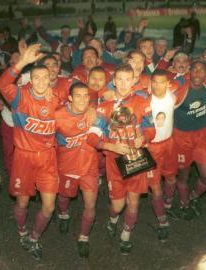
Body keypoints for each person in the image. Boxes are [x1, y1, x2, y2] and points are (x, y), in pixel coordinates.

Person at [0, 44, 60, 261]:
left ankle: (34, 237)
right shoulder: (20, 96)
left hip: (48, 158)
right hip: (24, 157)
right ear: (30, 80)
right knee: (22, 203)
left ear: (51, 79)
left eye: (46, 78)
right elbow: (2, 83)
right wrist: (22, 62)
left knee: (49, 207)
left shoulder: (56, 99)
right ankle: (22, 231)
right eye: (37, 78)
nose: (42, 82)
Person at [88, 64, 155, 255]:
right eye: (120, 79)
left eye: (128, 79)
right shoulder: (104, 106)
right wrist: (111, 146)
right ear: (114, 81)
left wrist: (144, 138)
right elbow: (92, 137)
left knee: (133, 202)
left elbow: (151, 129)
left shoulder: (142, 102)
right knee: (117, 205)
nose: (124, 84)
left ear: (134, 80)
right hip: (114, 162)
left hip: (136, 158)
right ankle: (113, 218)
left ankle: (126, 234)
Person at [55, 82, 99, 258]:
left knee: (90, 204)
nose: (82, 99)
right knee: (64, 196)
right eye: (78, 96)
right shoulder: (58, 116)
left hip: (89, 166)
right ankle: (64, 215)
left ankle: (84, 237)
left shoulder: (95, 113)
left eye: (86, 96)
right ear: (70, 98)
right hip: (67, 166)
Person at [167, 61, 206, 220]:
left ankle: (193, 197)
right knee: (183, 177)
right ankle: (183, 204)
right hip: (181, 138)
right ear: (189, 72)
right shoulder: (180, 89)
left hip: (201, 137)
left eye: (202, 70)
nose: (198, 73)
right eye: (195, 70)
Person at [146, 69, 179, 241]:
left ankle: (167, 205)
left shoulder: (172, 96)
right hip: (152, 148)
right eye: (154, 82)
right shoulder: (145, 99)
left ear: (168, 84)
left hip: (169, 143)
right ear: (150, 83)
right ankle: (162, 220)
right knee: (155, 187)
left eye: (161, 82)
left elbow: (187, 81)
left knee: (172, 178)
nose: (158, 86)